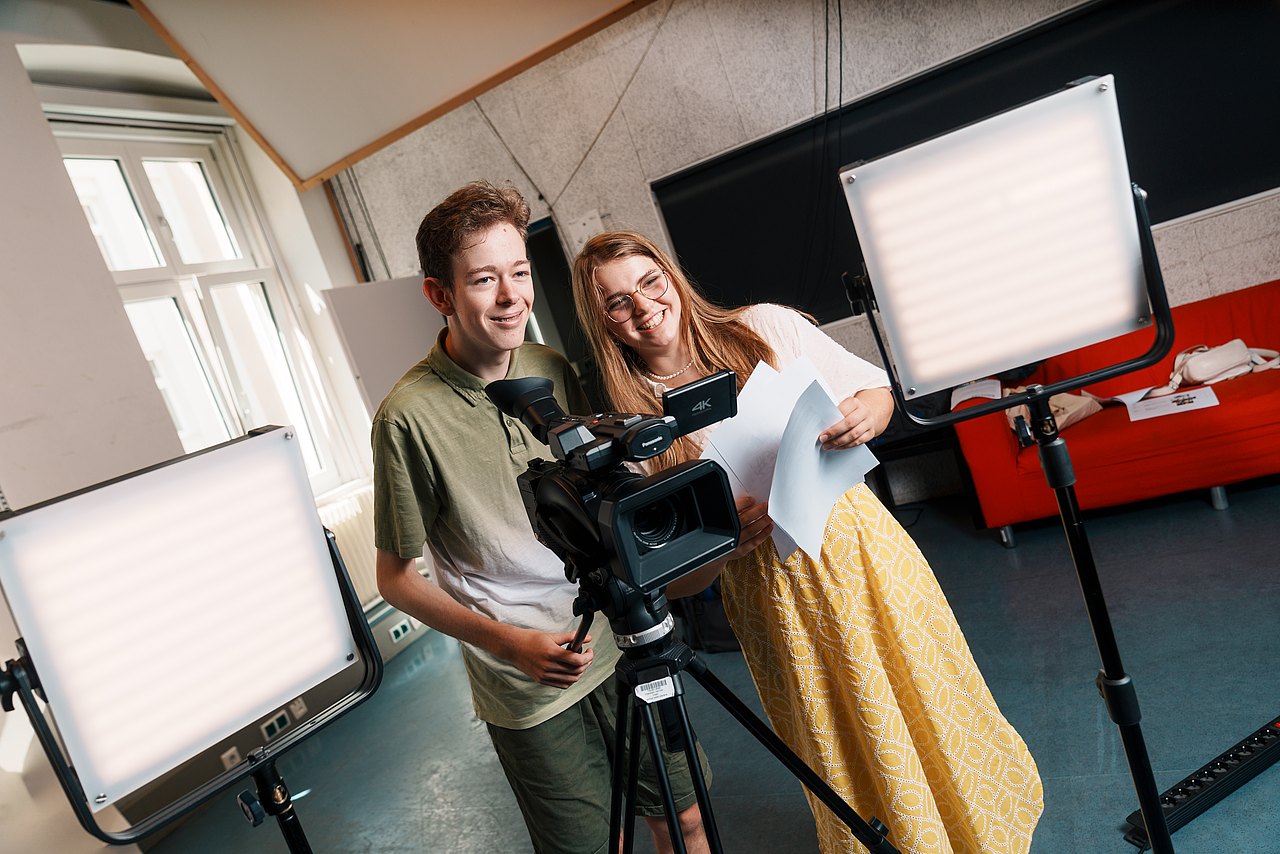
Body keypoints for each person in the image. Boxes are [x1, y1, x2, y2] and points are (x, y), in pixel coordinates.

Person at [569, 230, 1045, 854]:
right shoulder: (632, 430)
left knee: (927, 694)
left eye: (649, 282)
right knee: (842, 735)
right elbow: (677, 582)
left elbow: (876, 396)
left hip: (860, 551)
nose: (642, 306)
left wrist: (863, 419)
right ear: (601, 321)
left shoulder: (765, 327)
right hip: (772, 597)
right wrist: (722, 543)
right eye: (616, 302)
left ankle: (980, 829)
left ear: (671, 276)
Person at [372, 185, 711, 854]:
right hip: (528, 688)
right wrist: (506, 643)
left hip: (620, 645)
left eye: (519, 272)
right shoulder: (405, 418)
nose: (510, 296)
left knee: (685, 818)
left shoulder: (550, 366)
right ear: (440, 295)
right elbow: (396, 579)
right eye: (484, 280)